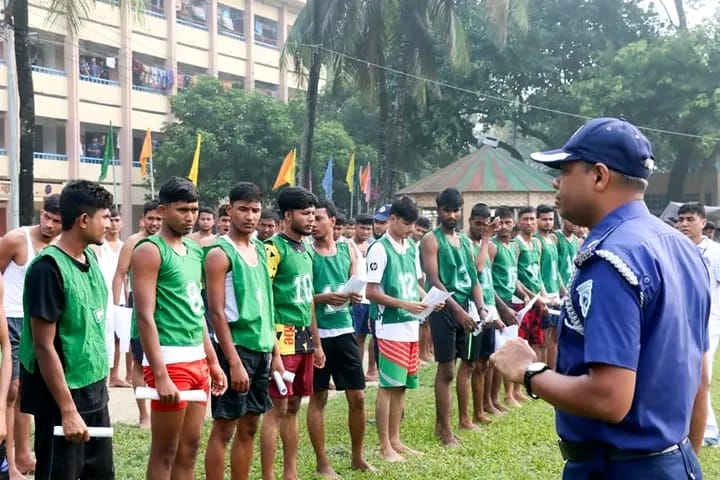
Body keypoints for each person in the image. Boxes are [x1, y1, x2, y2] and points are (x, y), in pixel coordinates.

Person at [492, 117, 709, 479]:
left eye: (565, 169)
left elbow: (609, 397)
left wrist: (528, 371)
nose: (556, 181)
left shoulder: (611, 257)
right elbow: (699, 377)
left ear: (599, 176)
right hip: (675, 461)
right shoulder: (682, 250)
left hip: (617, 467)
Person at [132, 177, 226, 480]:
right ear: (163, 210)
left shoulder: (195, 251)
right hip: (170, 360)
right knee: (165, 451)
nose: (190, 217)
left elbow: (197, 311)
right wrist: (160, 375)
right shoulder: (149, 250)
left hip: (197, 359)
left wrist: (212, 360)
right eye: (182, 210)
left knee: (190, 447)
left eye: (194, 210)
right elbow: (144, 316)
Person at [19, 180, 114, 479]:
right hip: (61, 396)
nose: (109, 224)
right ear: (84, 220)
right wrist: (68, 410)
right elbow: (43, 345)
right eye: (105, 217)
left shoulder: (92, 259)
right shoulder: (47, 269)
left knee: (98, 473)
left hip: (93, 389)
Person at [204, 182, 282, 480]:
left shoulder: (261, 249)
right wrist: (233, 361)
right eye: (243, 209)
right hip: (235, 348)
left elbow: (268, 301)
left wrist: (274, 351)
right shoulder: (219, 253)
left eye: (255, 210)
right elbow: (216, 312)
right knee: (225, 426)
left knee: (251, 425)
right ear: (229, 210)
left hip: (262, 348)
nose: (250, 216)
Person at [366, 196, 438, 462]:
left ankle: (396, 440)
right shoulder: (379, 249)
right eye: (406, 223)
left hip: (410, 326)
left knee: (402, 386)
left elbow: (414, 283)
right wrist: (405, 304)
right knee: (388, 385)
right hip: (390, 326)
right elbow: (371, 291)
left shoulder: (410, 247)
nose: (410, 228)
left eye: (413, 224)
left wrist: (427, 299)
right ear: (392, 219)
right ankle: (384, 446)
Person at [260, 187, 325, 480]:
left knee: (296, 405)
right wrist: (272, 347)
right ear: (287, 215)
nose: (311, 219)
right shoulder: (273, 248)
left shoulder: (307, 249)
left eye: (313, 213)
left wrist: (317, 342)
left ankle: (291, 472)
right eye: (305, 213)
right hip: (281, 337)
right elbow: (265, 297)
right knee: (277, 407)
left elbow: (308, 299)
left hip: (304, 339)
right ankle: (269, 475)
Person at [308, 200, 375, 477]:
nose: (314, 223)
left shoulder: (347, 249)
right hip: (318, 334)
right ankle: (322, 462)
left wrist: (355, 295)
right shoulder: (306, 254)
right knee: (318, 398)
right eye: (311, 217)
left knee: (357, 397)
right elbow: (300, 298)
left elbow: (354, 283)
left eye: (319, 217)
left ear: (333, 221)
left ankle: (358, 457)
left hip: (344, 331)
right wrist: (323, 298)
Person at [0, 193, 62, 479]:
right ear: (41, 213)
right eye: (47, 217)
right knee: (11, 392)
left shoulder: (61, 247)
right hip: (11, 319)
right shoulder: (16, 239)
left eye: (57, 221)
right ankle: (12, 462)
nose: (49, 224)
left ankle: (25, 453)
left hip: (39, 322)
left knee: (30, 391)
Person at [420, 188, 485, 445]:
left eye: (456, 210)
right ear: (439, 210)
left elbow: (474, 280)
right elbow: (434, 280)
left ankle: (442, 425)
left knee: (464, 365)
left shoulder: (467, 242)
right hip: (444, 309)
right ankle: (446, 431)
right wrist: (457, 310)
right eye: (447, 210)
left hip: (467, 309)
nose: (452, 215)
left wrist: (480, 309)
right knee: (446, 370)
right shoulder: (431, 240)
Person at [112, 200, 162, 428]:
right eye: (150, 218)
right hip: (139, 306)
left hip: (166, 309)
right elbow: (120, 275)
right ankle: (144, 414)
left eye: (158, 219)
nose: (154, 223)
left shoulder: (168, 242)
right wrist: (117, 308)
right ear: (143, 219)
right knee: (140, 363)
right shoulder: (133, 242)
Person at [466, 203, 516, 427]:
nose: (483, 228)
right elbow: (477, 269)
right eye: (479, 224)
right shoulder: (470, 244)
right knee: (474, 364)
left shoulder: (484, 244)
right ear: (470, 221)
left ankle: (486, 404)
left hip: (489, 305)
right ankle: (475, 411)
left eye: (487, 225)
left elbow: (488, 280)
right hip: (475, 307)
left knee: (486, 361)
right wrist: (486, 239)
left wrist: (498, 309)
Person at [676, 202, 720, 447]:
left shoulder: (715, 252)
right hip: (679, 320)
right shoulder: (673, 248)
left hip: (709, 320)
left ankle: (708, 431)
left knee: (704, 373)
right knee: (685, 372)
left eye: (690, 219)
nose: (683, 224)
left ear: (703, 222)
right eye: (680, 219)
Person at [490, 206, 527, 410]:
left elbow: (513, 280)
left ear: (514, 224)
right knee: (497, 354)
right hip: (498, 303)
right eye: (500, 222)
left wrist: (528, 297)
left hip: (511, 303)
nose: (503, 227)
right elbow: (486, 280)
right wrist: (502, 307)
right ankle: (494, 399)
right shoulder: (492, 247)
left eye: (507, 222)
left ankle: (509, 393)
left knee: (510, 350)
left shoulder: (514, 247)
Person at [92, 206, 132, 387]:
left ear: (122, 223)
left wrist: (125, 298)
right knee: (102, 335)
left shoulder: (126, 247)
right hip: (103, 298)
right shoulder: (99, 246)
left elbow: (124, 277)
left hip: (121, 300)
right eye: (111, 220)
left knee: (119, 337)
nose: (114, 224)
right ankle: (102, 375)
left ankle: (116, 375)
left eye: (117, 220)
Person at [348, 213, 378, 380]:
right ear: (355, 227)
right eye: (362, 228)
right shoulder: (349, 246)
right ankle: (355, 371)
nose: (366, 232)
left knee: (372, 335)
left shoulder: (372, 246)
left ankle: (370, 370)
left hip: (371, 298)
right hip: (357, 298)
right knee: (356, 337)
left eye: (368, 229)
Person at [536, 204, 565, 369]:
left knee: (554, 336)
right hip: (544, 294)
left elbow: (556, 268)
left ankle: (552, 370)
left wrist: (563, 291)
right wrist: (544, 294)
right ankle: (542, 371)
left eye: (550, 219)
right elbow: (537, 271)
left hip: (555, 293)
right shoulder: (537, 241)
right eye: (544, 219)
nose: (547, 222)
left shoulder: (552, 241)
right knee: (543, 338)